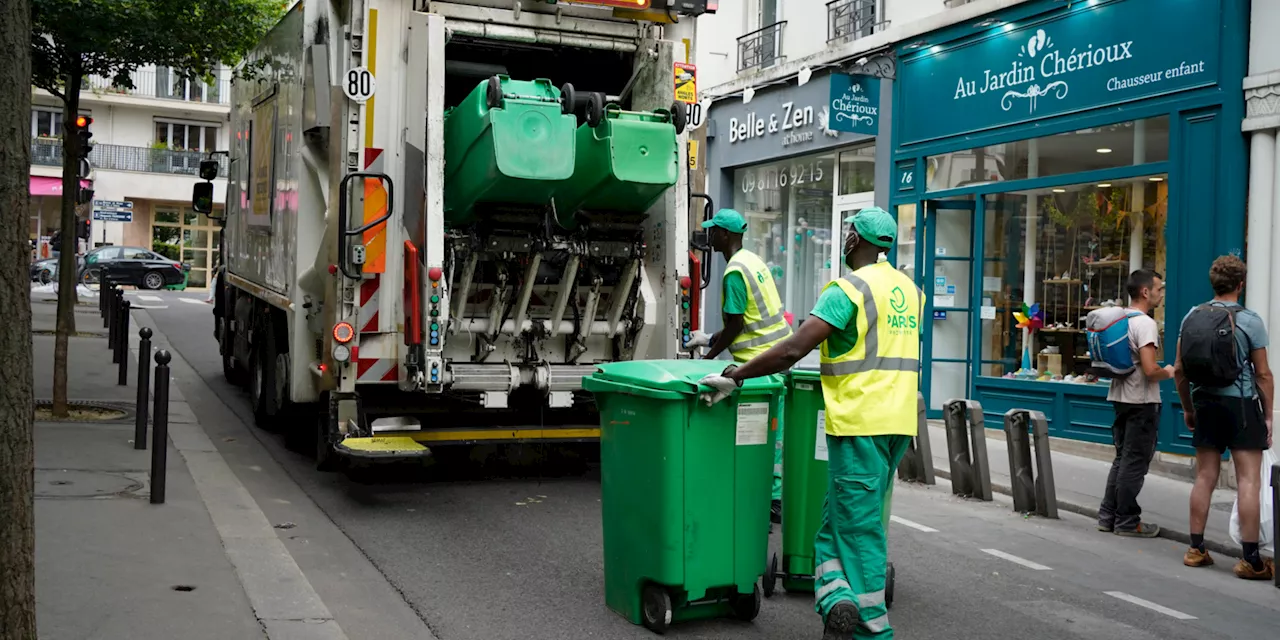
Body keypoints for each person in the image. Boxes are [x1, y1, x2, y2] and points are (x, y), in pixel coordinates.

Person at [697, 207, 921, 640]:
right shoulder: (909, 290)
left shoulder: (848, 289)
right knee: (834, 524)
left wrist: (735, 374)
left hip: (860, 425)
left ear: (855, 240)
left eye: (849, 232)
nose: (846, 239)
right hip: (897, 425)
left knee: (859, 531)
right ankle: (838, 600)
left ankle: (872, 630)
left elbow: (792, 350)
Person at [684, 208, 791, 522]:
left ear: (726, 235)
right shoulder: (752, 261)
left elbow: (735, 326)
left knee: (762, 433)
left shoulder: (733, 273)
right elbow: (746, 322)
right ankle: (770, 496)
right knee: (771, 431)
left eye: (714, 231)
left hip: (760, 366)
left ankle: (771, 500)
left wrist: (708, 357)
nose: (710, 236)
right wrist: (707, 338)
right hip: (776, 357)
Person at [1174, 255, 1275, 579]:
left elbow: (1179, 370)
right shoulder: (1250, 320)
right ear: (1241, 285)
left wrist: (1189, 408)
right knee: (1248, 480)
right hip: (1241, 407)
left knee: (1205, 476)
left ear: (1213, 283)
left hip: (1205, 403)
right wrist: (1268, 417)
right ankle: (1250, 560)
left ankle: (1195, 549)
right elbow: (1263, 375)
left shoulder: (1192, 315)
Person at [1097, 269, 1174, 538]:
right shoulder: (1145, 323)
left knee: (1121, 459)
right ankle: (1127, 521)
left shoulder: (1121, 319)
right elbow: (1151, 370)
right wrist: (1171, 371)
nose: (1161, 294)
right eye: (1158, 289)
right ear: (1145, 292)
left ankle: (1108, 516)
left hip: (1119, 396)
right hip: (1141, 401)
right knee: (1135, 463)